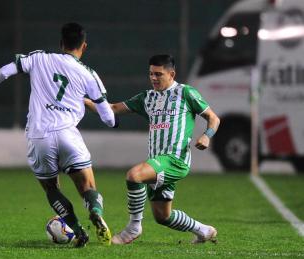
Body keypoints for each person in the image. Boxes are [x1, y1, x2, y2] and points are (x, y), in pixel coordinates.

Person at [0, 23, 117, 248]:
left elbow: (5, 71)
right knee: (87, 187)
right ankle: (95, 211)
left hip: (39, 136)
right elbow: (108, 118)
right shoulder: (89, 74)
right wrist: (101, 113)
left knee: (51, 188)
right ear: (84, 46)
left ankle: (77, 231)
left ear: (61, 44)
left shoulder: (40, 58)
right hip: (68, 134)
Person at [85, 54, 220, 244]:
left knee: (134, 175)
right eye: (151, 74)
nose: (154, 78)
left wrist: (207, 135)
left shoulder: (185, 93)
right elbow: (113, 108)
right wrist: (83, 101)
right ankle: (204, 230)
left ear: (171, 74)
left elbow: (214, 118)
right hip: (158, 161)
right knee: (163, 216)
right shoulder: (147, 98)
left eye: (159, 74)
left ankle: (133, 228)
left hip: (175, 160)